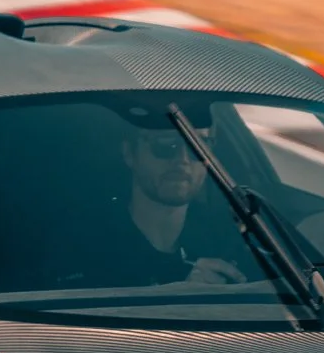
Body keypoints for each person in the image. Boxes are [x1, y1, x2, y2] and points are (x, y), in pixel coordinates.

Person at [44, 120, 255, 289]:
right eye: (165, 145)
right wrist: (183, 303)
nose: (182, 160)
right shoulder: (81, 246)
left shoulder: (232, 239)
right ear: (129, 153)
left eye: (197, 148)